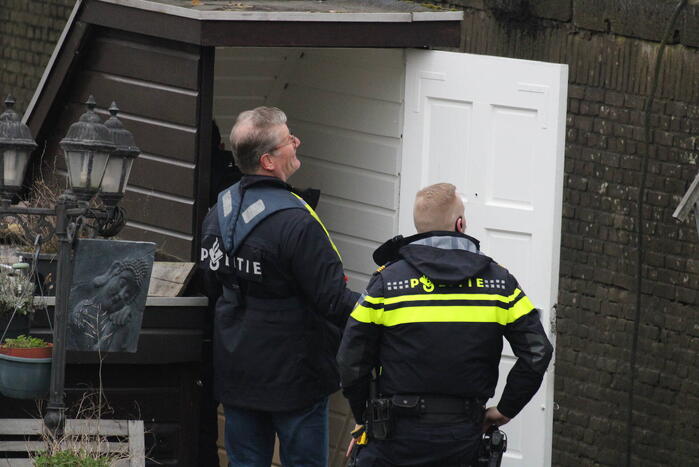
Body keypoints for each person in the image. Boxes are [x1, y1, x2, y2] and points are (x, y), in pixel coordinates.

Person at [337, 183, 554, 466]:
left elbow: (351, 360)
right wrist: (504, 410)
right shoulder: (500, 284)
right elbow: (537, 352)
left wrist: (365, 416)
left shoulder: (387, 283)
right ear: (460, 224)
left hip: (394, 435)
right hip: (463, 436)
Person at [199, 106, 359, 466]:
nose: (296, 142)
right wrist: (384, 310)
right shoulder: (296, 222)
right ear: (268, 161)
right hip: (296, 379)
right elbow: (333, 300)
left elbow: (212, 285)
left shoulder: (217, 213)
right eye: (289, 139)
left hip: (237, 372)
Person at [68, 256, 149, 352]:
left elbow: (116, 356)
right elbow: (89, 353)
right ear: (113, 272)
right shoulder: (83, 310)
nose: (121, 295)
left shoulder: (121, 320)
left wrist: (122, 325)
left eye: (128, 294)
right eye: (122, 284)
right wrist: (111, 328)